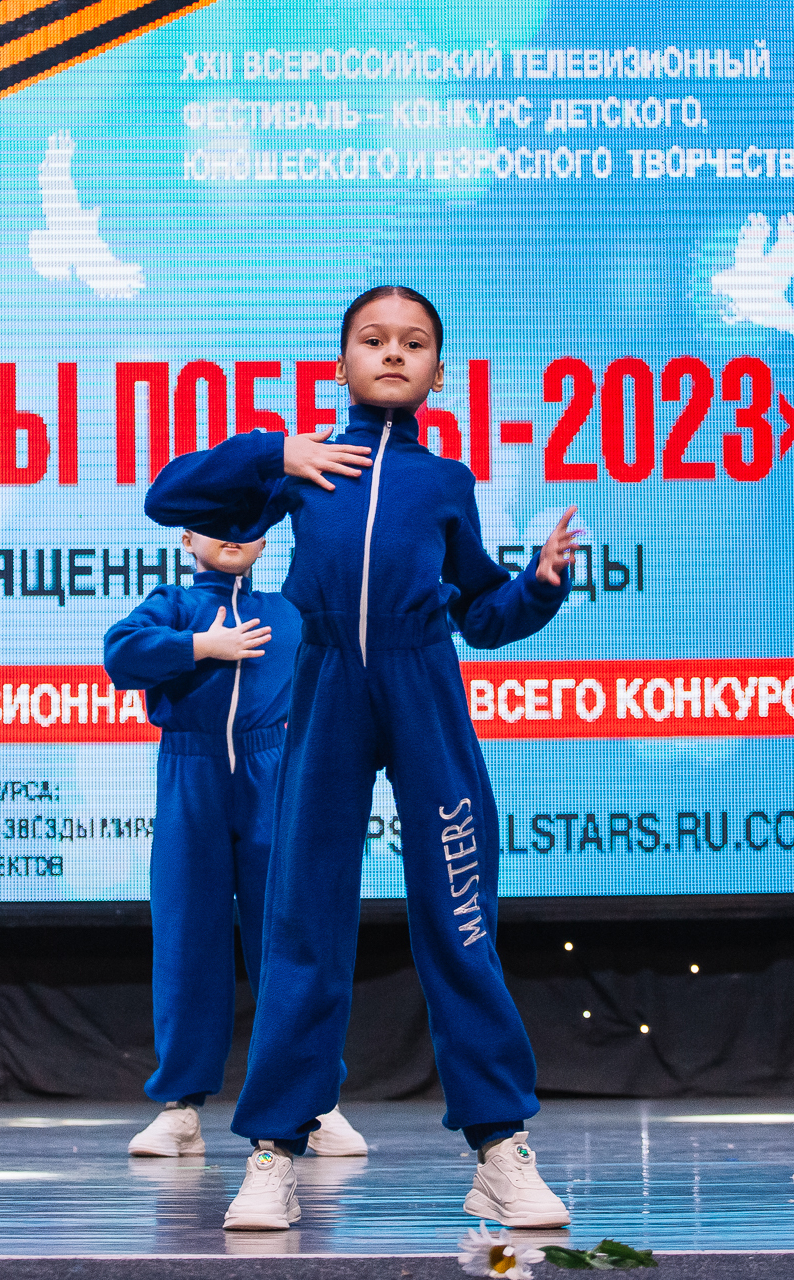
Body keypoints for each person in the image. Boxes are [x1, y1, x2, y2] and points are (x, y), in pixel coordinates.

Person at [144, 287, 580, 1231]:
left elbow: (481, 612)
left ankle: (499, 1148)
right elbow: (168, 497)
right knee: (301, 925)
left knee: (460, 920)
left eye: (413, 343)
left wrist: (539, 587)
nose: (392, 353)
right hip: (328, 687)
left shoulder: (446, 481)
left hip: (426, 693)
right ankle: (274, 1152)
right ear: (341, 362)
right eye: (373, 340)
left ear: (437, 372)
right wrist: (274, 453)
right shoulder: (308, 466)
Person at [104, 532, 367, 1161]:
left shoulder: (287, 611)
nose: (232, 534)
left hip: (271, 772)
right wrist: (200, 645)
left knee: (287, 938)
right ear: (187, 538)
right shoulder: (173, 604)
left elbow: (355, 654)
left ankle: (313, 1100)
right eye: (215, 521)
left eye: (246, 522)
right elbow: (121, 654)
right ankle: (181, 1107)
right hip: (189, 773)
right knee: (186, 939)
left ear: (266, 539)